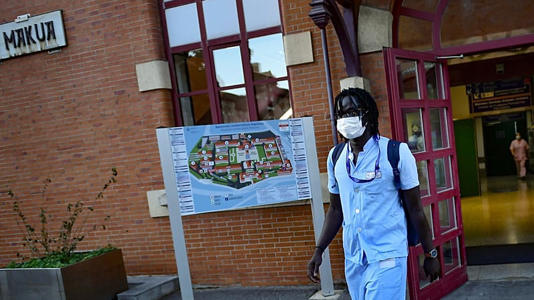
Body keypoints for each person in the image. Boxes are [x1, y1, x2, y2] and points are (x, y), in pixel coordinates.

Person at [307, 88, 440, 299]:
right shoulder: (336, 157)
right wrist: (319, 249)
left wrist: (430, 253)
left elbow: (416, 209)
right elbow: (335, 209)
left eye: (351, 112)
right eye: (340, 114)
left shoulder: (396, 153)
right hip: (354, 258)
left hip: (388, 256)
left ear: (367, 114)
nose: (345, 119)